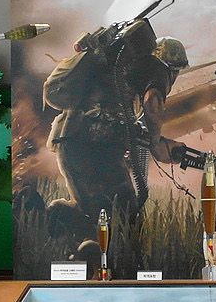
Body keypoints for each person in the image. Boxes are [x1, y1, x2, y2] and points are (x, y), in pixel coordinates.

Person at [41, 18, 186, 255]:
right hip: (97, 150)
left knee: (92, 210)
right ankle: (116, 263)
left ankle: (52, 219)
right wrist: (155, 142)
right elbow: (152, 103)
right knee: (125, 215)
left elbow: (116, 117)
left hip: (68, 141)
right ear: (173, 66)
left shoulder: (115, 68)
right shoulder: (156, 67)